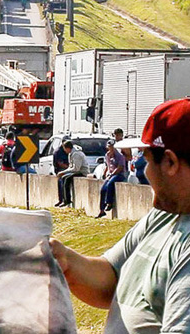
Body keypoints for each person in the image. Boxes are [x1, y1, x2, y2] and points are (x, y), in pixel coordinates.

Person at [50, 98, 190, 333]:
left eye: (146, 161)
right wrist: (65, 260)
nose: (144, 171)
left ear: (170, 162)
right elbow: (112, 277)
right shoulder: (165, 215)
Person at [96, 140, 128, 218]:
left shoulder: (120, 156)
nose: (111, 148)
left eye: (112, 147)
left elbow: (120, 167)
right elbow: (108, 166)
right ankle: (101, 210)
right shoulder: (107, 155)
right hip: (110, 174)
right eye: (109, 147)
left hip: (119, 174)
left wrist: (112, 174)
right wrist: (105, 173)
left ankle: (109, 203)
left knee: (110, 184)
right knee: (103, 189)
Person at [56, 140, 90, 207]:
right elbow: (71, 167)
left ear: (68, 148)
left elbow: (76, 169)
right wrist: (63, 172)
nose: (64, 151)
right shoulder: (71, 154)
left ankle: (67, 200)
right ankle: (61, 199)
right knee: (61, 179)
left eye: (65, 149)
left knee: (66, 179)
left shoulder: (76, 154)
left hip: (82, 172)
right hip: (76, 171)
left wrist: (63, 172)